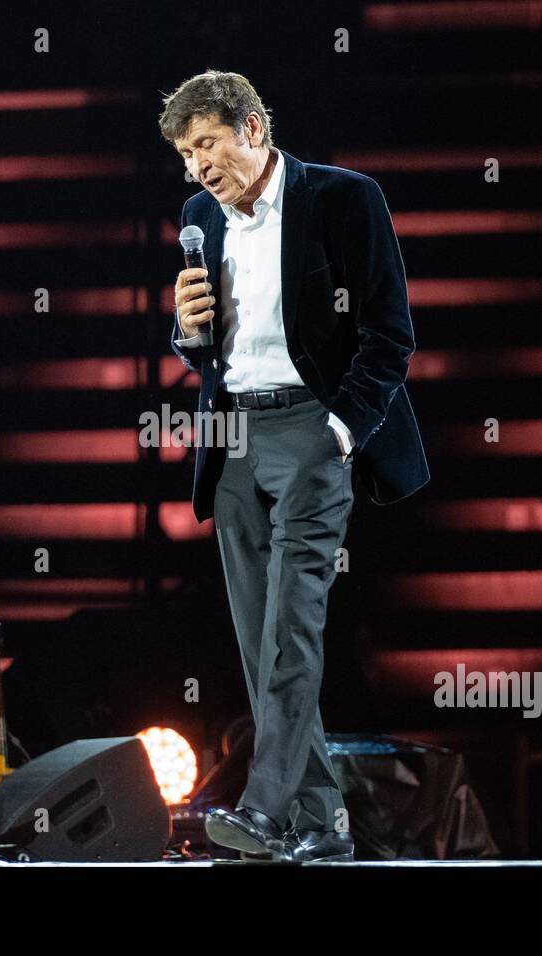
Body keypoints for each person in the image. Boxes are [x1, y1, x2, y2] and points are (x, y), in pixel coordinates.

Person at [160, 71, 430, 862]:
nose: (195, 167)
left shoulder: (344, 199)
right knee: (258, 638)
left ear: (250, 128)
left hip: (314, 428)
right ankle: (324, 823)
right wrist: (183, 331)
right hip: (235, 435)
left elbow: (390, 335)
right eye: (184, 154)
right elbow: (210, 349)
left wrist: (341, 431)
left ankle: (265, 808)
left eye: (205, 145)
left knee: (292, 623)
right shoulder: (198, 218)